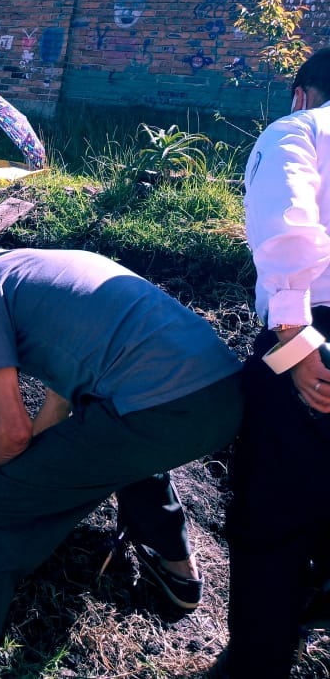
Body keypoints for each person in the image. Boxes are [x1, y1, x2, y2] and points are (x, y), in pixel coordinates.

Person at [0, 233, 243, 679]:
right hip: (221, 392)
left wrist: (5, 491)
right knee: (115, 443)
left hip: (160, 408)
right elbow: (61, 402)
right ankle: (178, 573)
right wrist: (29, 475)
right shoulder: (33, 266)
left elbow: (12, 429)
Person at [211, 47, 330, 679]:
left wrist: (295, 339)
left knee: (273, 508)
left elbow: (287, 229)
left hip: (313, 330)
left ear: (303, 91)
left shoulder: (300, 129)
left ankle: (257, 662)